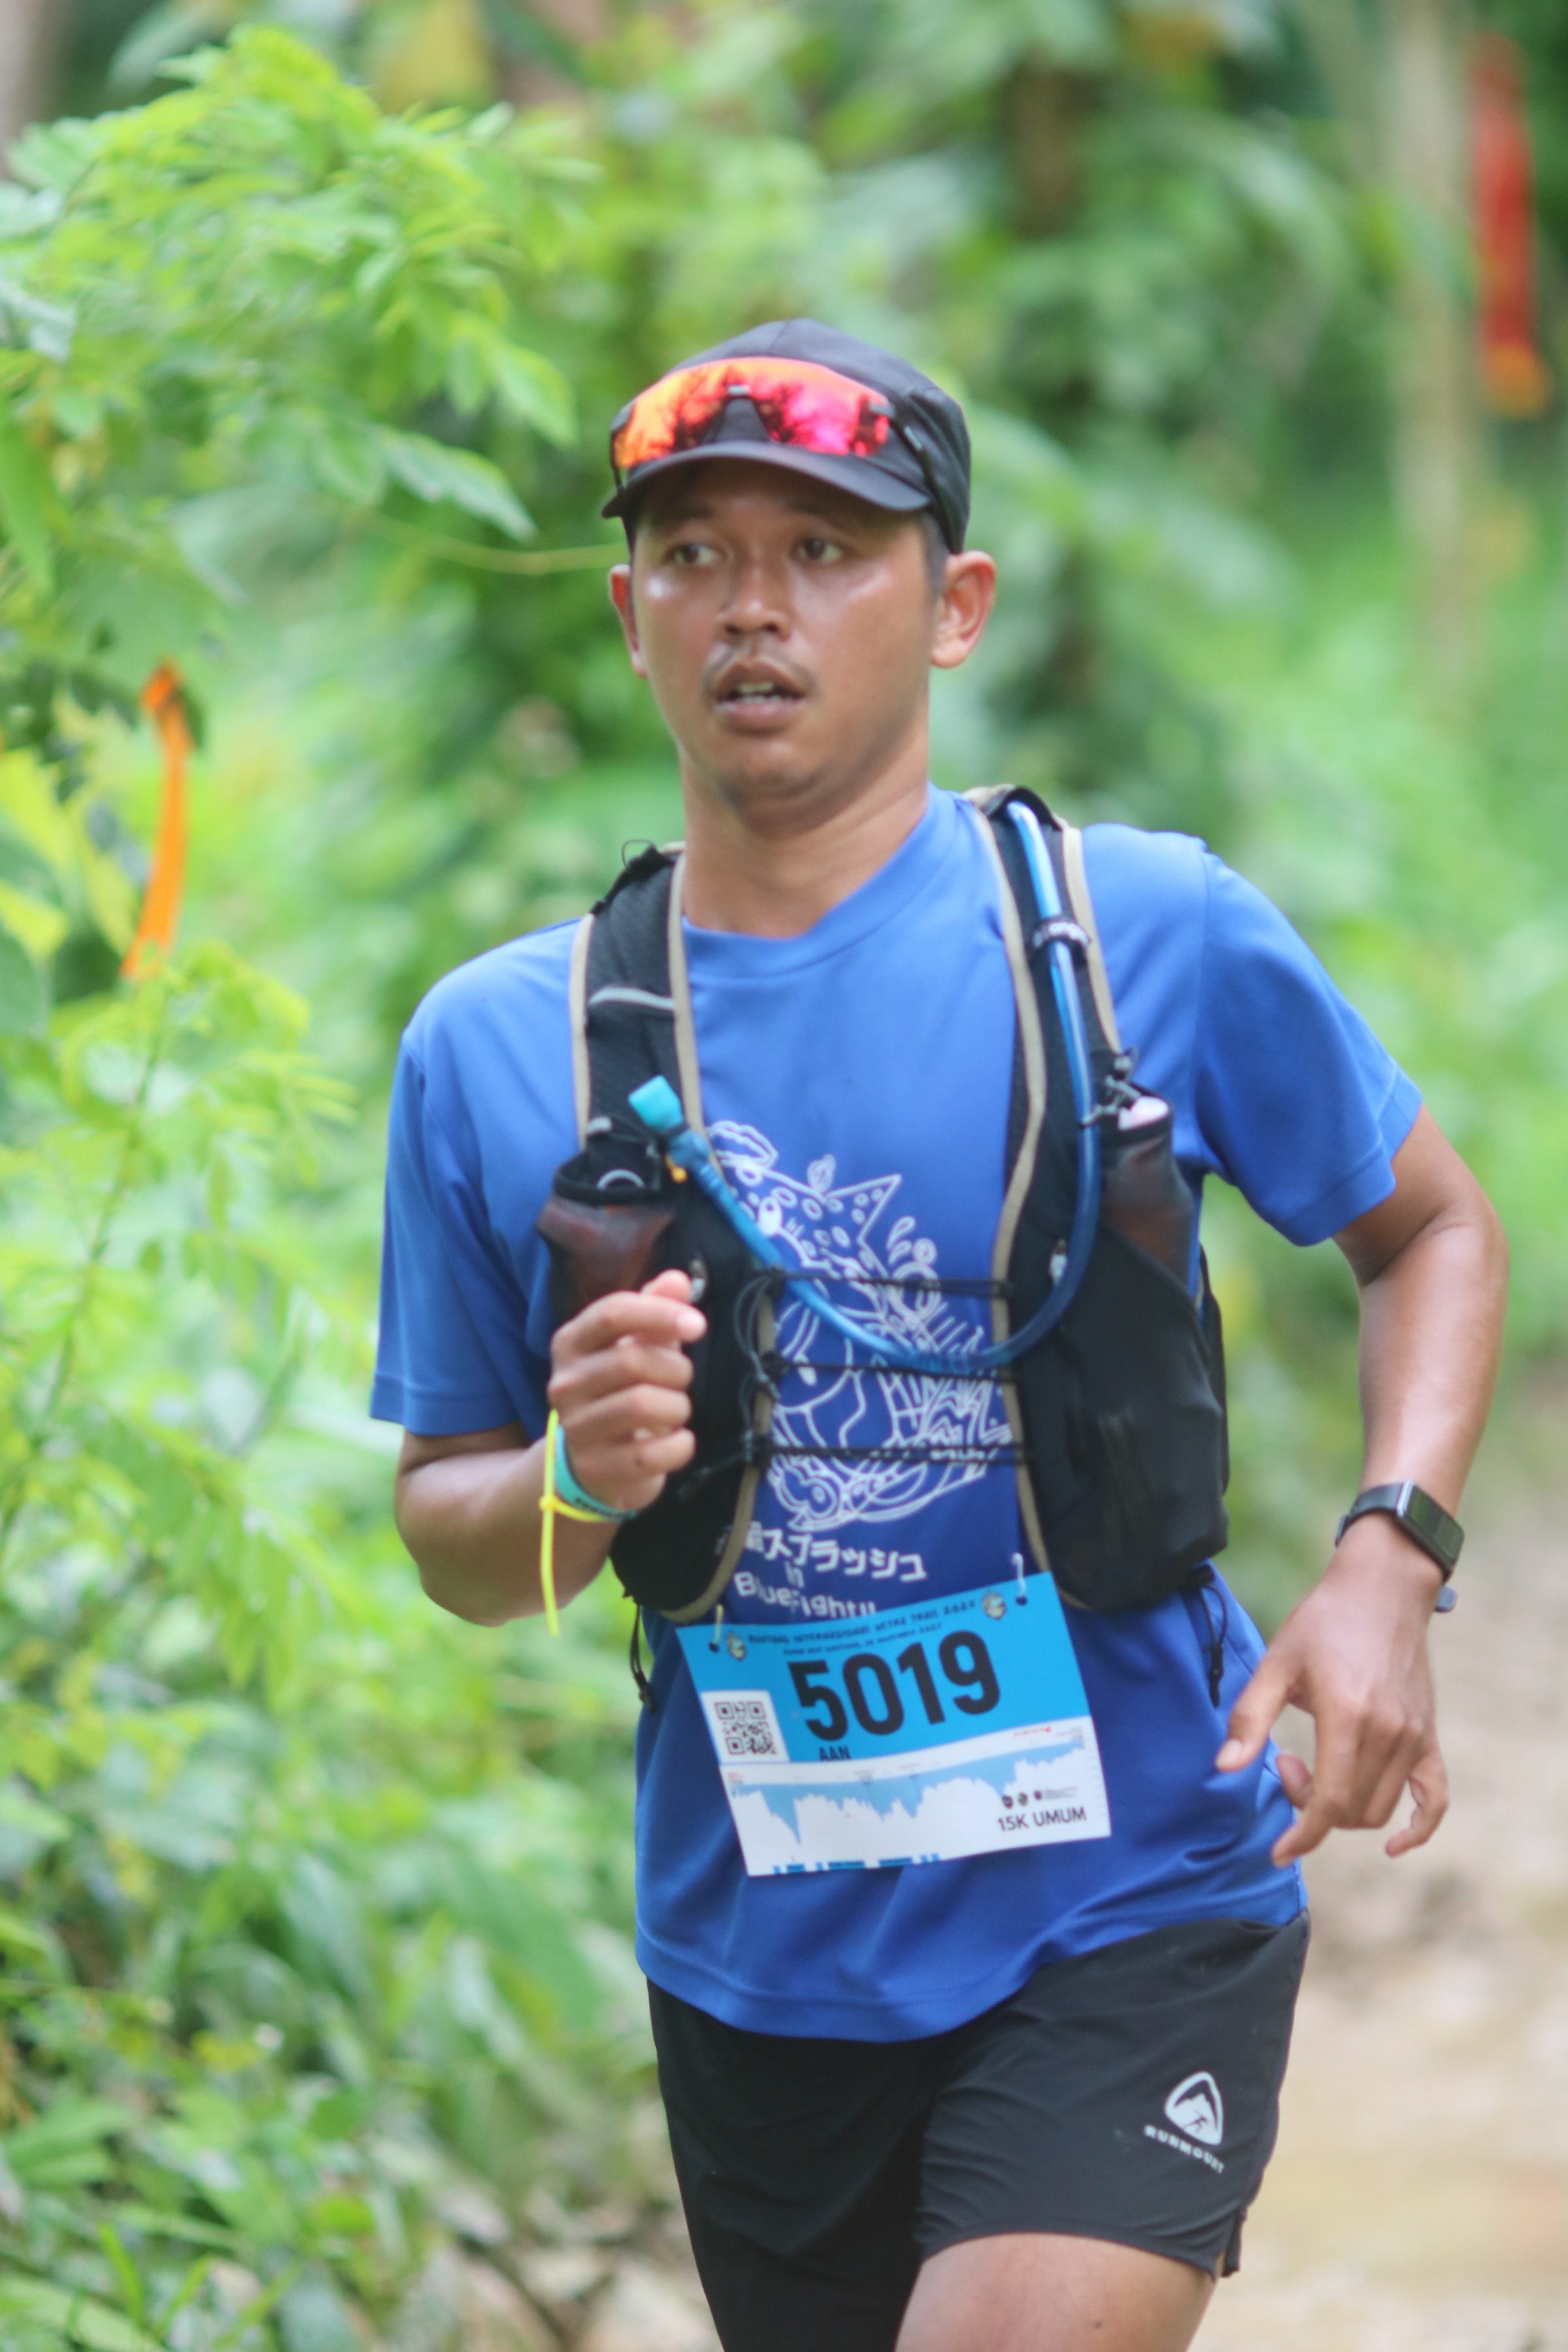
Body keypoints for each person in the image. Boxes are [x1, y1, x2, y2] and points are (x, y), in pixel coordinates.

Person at [373, 320, 1508, 2352]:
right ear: (629, 618)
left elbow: (1431, 1225)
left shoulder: (1140, 936)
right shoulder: (495, 1048)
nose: (753, 607)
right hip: (760, 1963)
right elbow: (457, 1538)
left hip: (1135, 1894)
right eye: (695, 556)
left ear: (956, 605)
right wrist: (572, 1478)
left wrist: (1388, 1558)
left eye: (823, 551)